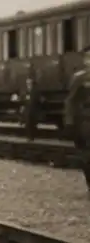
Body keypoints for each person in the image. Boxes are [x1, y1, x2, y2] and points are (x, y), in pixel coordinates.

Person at [64, 46, 90, 193]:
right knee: (87, 157)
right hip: (86, 122)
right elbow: (70, 101)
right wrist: (69, 122)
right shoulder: (79, 78)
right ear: (85, 60)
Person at [20, 74, 41, 141]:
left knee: (32, 124)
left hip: (33, 109)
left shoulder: (35, 90)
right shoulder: (25, 91)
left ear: (32, 83)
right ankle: (29, 137)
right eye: (27, 83)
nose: (28, 84)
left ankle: (32, 136)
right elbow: (23, 99)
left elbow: (37, 99)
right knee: (28, 124)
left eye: (29, 83)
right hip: (27, 109)